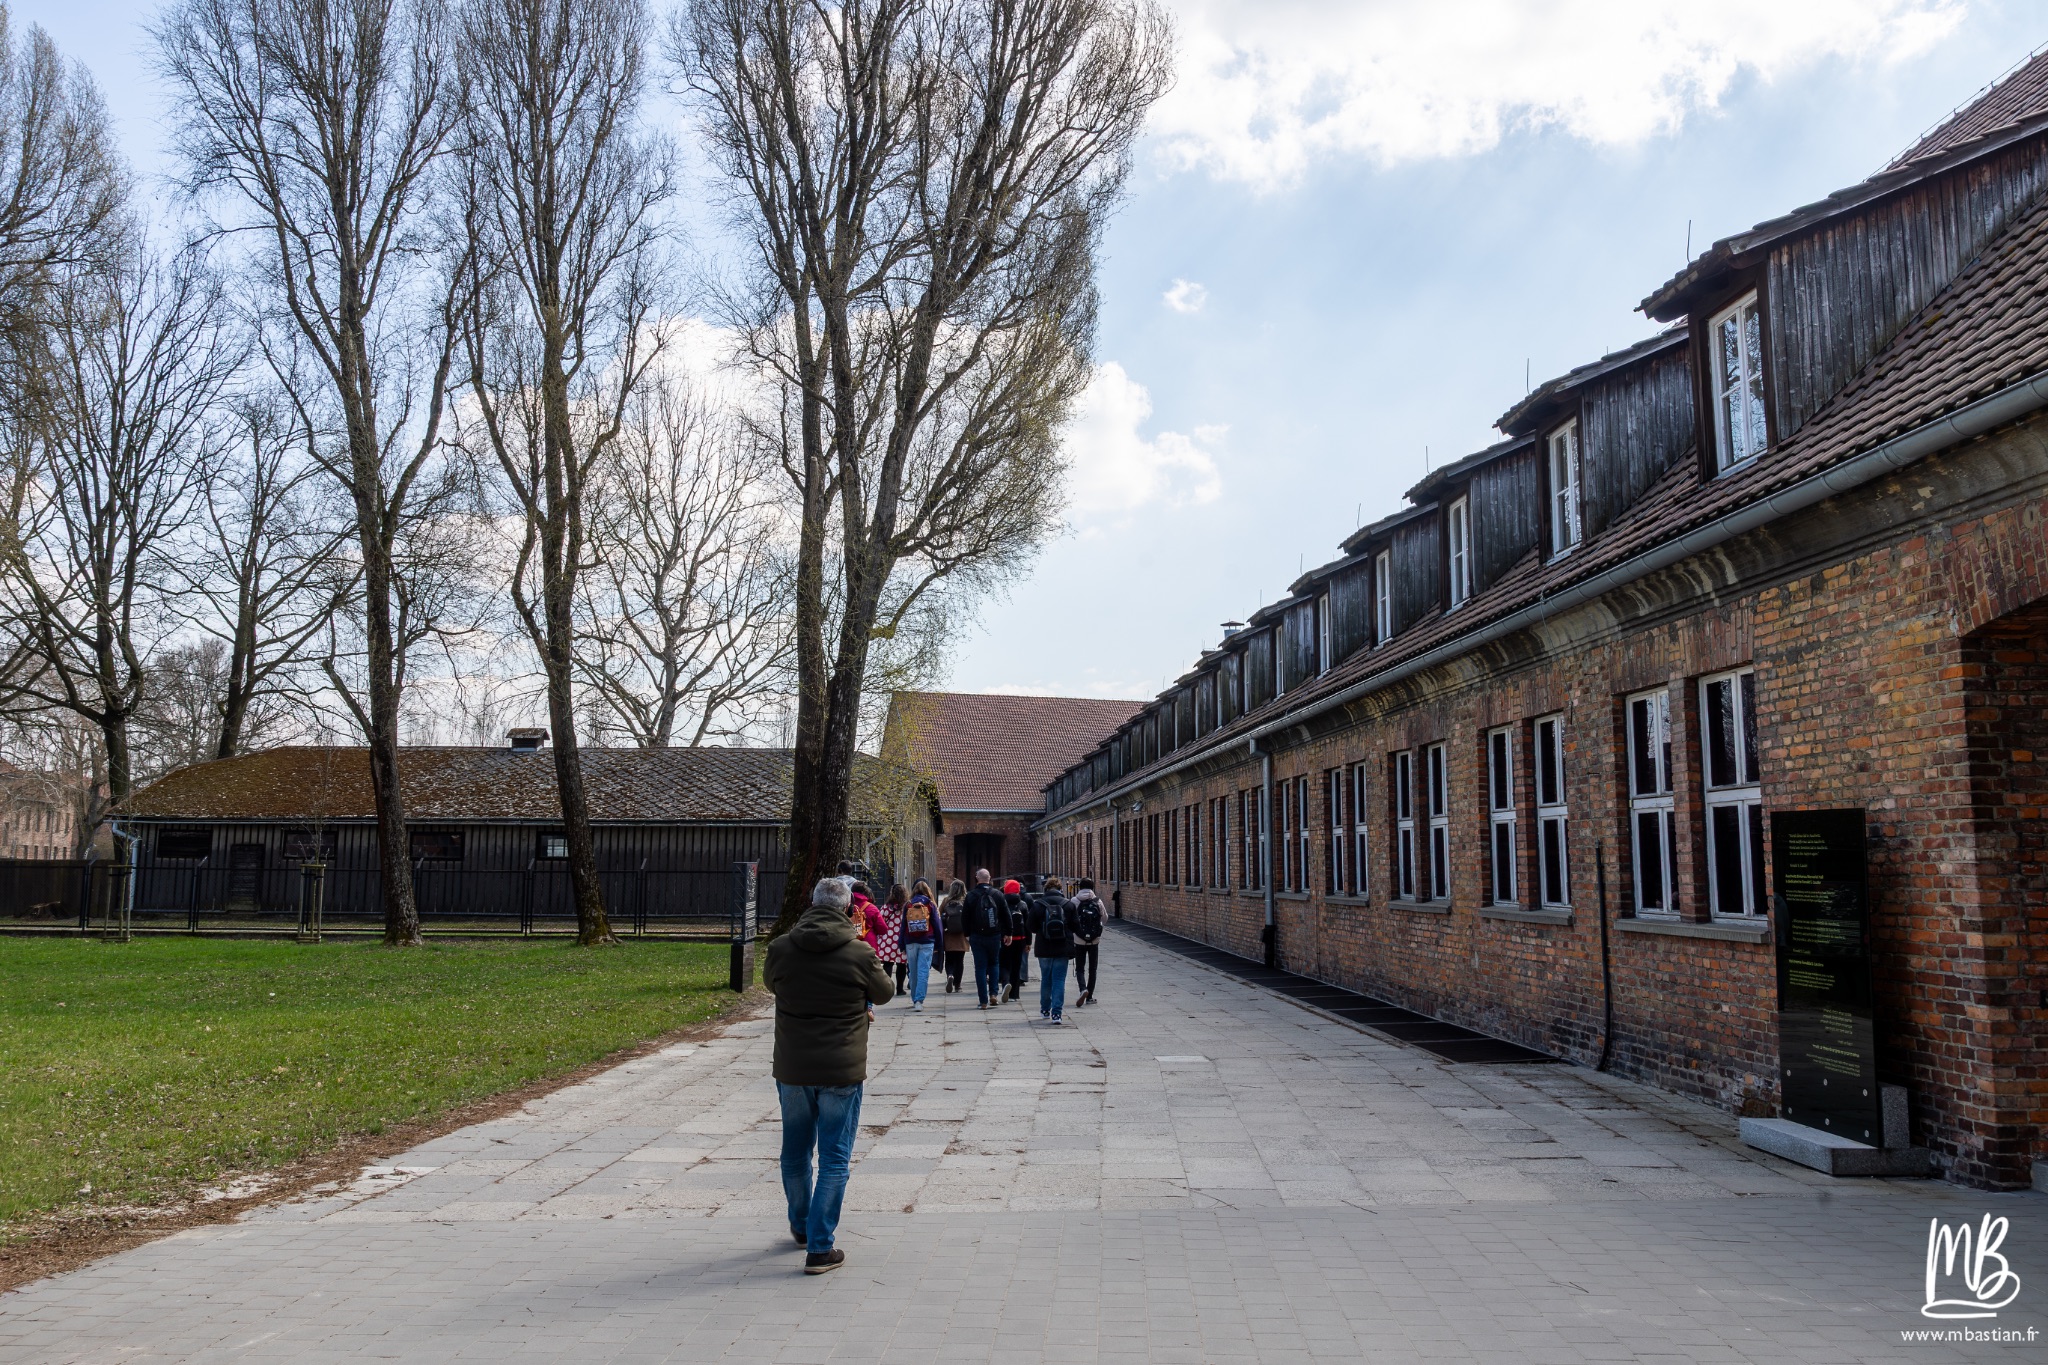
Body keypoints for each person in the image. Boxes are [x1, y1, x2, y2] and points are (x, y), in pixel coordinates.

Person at [763, 877, 895, 1275]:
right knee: (835, 1157)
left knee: (795, 1151)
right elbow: (885, 991)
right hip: (841, 1066)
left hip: (793, 1066)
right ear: (845, 908)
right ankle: (820, 1248)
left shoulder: (782, 947)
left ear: (812, 902)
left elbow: (772, 983)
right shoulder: (858, 952)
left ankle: (802, 1226)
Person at [1028, 876, 1076, 1023]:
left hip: (1044, 948)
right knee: (1059, 980)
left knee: (1046, 979)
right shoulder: (1068, 905)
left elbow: (1031, 927)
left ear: (1046, 889)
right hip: (1062, 948)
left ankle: (1044, 1009)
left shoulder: (1038, 905)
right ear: (1060, 889)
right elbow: (1075, 926)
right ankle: (1057, 1014)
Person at [960, 869, 1007, 1008]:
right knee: (994, 964)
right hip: (994, 935)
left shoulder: (971, 895)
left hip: (977, 935)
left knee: (980, 967)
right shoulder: (998, 894)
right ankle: (993, 994)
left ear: (976, 878)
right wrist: (1008, 933)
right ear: (990, 878)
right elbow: (1005, 915)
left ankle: (983, 1001)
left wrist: (967, 934)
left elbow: (965, 917)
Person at [901, 880, 940, 1011]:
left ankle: (914, 999)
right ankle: (919, 1000)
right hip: (927, 941)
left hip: (910, 941)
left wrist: (901, 944)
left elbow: (903, 926)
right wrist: (939, 945)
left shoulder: (908, 905)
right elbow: (937, 925)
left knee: (912, 971)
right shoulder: (930, 905)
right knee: (923, 971)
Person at [1070, 877, 1105, 1006]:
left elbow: (1069, 919)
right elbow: (1105, 918)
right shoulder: (1097, 901)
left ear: (1080, 887)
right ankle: (1090, 997)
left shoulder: (1074, 901)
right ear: (1092, 887)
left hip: (1079, 939)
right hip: (1094, 940)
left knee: (1079, 968)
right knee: (1093, 968)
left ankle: (1082, 989)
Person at [998, 879, 1030, 1003]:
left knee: (1004, 964)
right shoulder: (1022, 904)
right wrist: (1028, 942)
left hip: (1004, 938)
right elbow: (1027, 925)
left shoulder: (1001, 903)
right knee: (1017, 966)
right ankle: (1014, 995)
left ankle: (1006, 982)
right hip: (1020, 939)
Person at [878, 884, 910, 993]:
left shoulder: (887, 907)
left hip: (888, 938)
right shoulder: (907, 907)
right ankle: (900, 989)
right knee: (902, 964)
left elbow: (880, 921)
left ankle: (887, 988)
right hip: (902, 939)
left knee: (888, 964)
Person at [940, 879, 968, 993]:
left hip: (949, 935)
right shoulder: (966, 900)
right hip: (962, 936)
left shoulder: (946, 901)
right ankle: (958, 985)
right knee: (960, 961)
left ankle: (950, 975)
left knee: (949, 959)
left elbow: (939, 915)